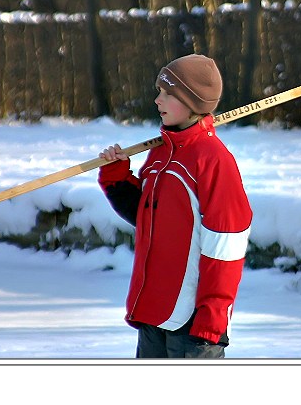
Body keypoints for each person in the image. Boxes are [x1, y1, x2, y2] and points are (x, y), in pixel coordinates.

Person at [97, 54, 253, 358]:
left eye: (168, 93)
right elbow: (147, 218)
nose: (158, 100)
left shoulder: (213, 161)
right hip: (155, 309)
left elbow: (227, 246)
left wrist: (213, 315)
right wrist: (117, 175)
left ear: (192, 102)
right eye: (160, 91)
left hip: (194, 324)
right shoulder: (161, 154)